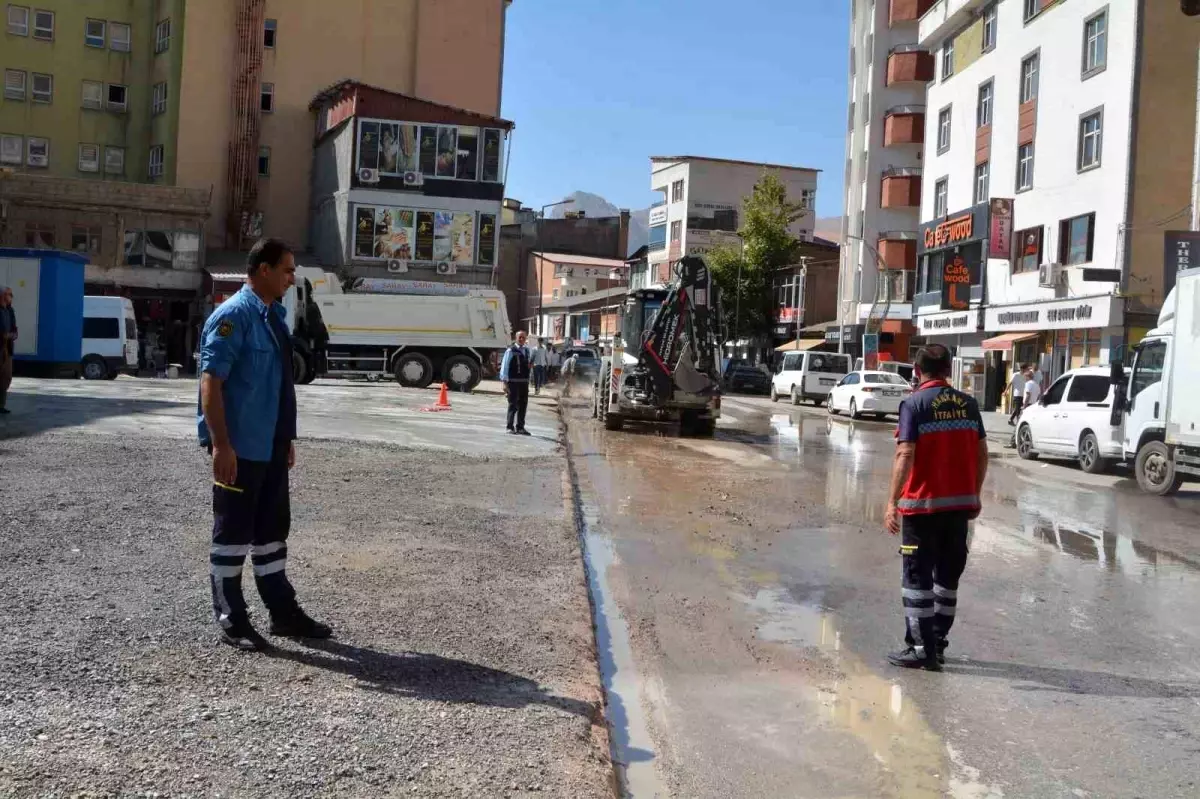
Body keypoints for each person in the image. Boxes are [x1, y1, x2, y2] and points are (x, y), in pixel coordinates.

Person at [198, 238, 331, 651]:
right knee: (233, 532)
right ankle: (232, 617)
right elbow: (211, 383)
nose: (292, 279)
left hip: (270, 445)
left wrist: (284, 438)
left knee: (272, 532)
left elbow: (278, 386)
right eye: (288, 270)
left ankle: (282, 612)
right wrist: (221, 445)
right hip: (239, 449)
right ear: (264, 269)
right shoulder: (232, 317)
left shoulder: (274, 317)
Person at [884, 344, 988, 671]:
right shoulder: (969, 405)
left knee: (917, 580)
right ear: (948, 369)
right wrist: (975, 494)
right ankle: (938, 644)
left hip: (922, 509)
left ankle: (921, 649)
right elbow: (983, 453)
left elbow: (905, 454)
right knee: (946, 580)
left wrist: (892, 502)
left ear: (917, 371)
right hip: (959, 509)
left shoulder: (914, 405)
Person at [500, 331, 532, 435]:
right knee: (513, 404)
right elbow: (505, 367)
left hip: (524, 383)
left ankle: (520, 427)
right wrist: (504, 383)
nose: (522, 339)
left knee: (523, 405)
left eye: (523, 337)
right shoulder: (510, 350)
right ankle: (509, 427)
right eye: (520, 337)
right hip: (513, 382)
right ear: (516, 338)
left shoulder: (527, 351)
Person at [0, 287, 15, 414]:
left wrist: (10, 335)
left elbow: (14, 330)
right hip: (1, 347)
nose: (12, 297)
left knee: (6, 377)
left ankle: (1, 405)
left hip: (7, 349)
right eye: (10, 294)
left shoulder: (9, 311)